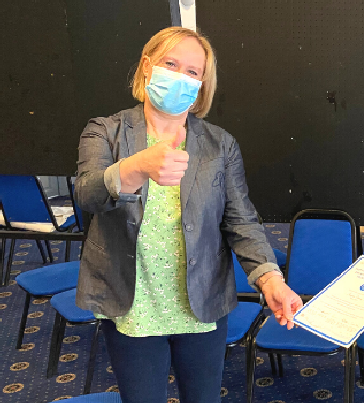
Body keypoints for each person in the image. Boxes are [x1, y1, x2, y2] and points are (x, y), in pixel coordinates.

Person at [74, 27, 302, 403]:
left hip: (201, 303)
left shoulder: (219, 144)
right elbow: (87, 194)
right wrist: (136, 167)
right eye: (171, 63)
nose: (181, 76)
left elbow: (241, 220)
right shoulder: (106, 131)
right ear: (147, 67)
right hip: (133, 302)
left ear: (202, 85)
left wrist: (270, 280)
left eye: (193, 72)